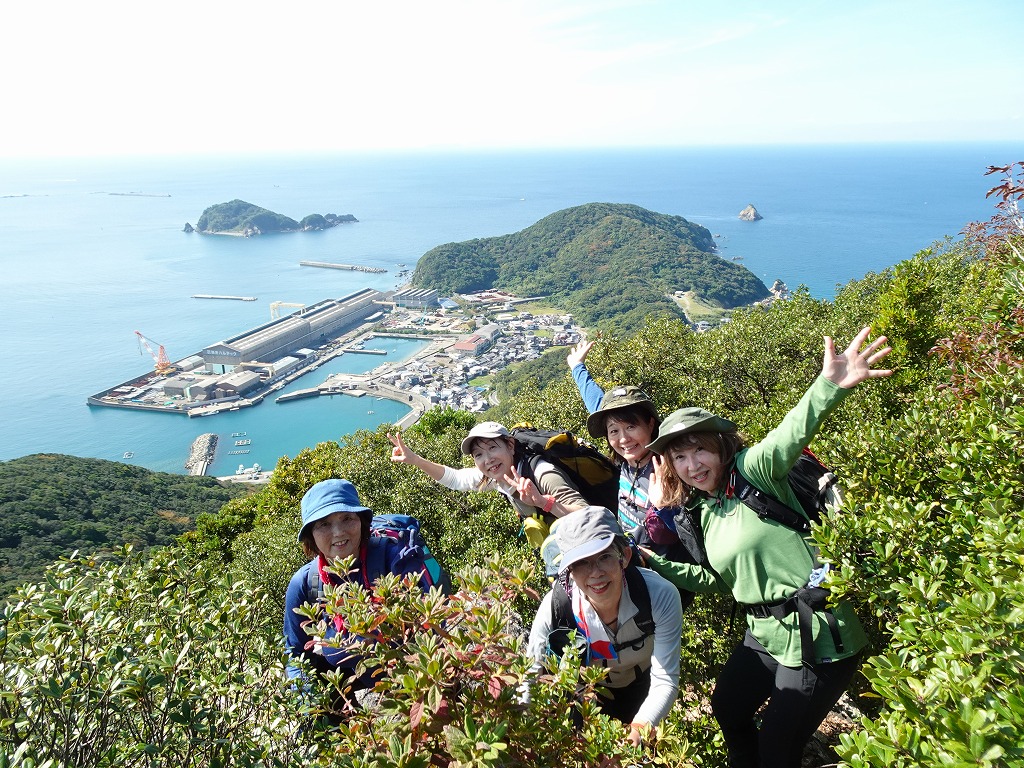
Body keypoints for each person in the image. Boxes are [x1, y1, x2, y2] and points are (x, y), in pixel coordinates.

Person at [639, 327, 892, 768]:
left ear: (720, 447)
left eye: (699, 450)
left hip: (817, 638)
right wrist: (656, 564)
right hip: (765, 634)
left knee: (778, 749)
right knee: (728, 707)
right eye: (680, 457)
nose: (692, 465)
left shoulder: (754, 471)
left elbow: (789, 434)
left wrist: (829, 384)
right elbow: (724, 583)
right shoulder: (705, 509)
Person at [283, 478, 446, 722]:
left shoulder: (394, 558)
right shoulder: (306, 583)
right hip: (348, 676)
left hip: (410, 670)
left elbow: (429, 627)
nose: (338, 532)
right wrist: (308, 704)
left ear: (362, 522)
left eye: (347, 518)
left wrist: (332, 645)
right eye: (324, 524)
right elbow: (295, 653)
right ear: (311, 536)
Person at [525, 506, 683, 749]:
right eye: (581, 563)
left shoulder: (659, 595)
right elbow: (529, 677)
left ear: (625, 557)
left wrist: (638, 731)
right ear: (569, 572)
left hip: (641, 688)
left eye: (604, 557)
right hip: (582, 696)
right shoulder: (555, 607)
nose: (595, 573)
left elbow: (665, 679)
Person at [567, 340, 688, 561]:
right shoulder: (628, 455)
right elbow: (596, 403)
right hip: (628, 554)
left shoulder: (668, 467)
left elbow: (681, 531)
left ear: (650, 424)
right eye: (614, 431)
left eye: (631, 427)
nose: (623, 439)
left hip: (662, 569)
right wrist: (577, 367)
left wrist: (663, 506)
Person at [389, 422, 589, 547]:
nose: (488, 459)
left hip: (590, 543)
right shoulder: (496, 477)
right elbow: (455, 479)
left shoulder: (542, 473)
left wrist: (543, 502)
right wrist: (415, 460)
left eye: (493, 447)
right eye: (478, 454)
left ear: (510, 445)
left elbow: (588, 516)